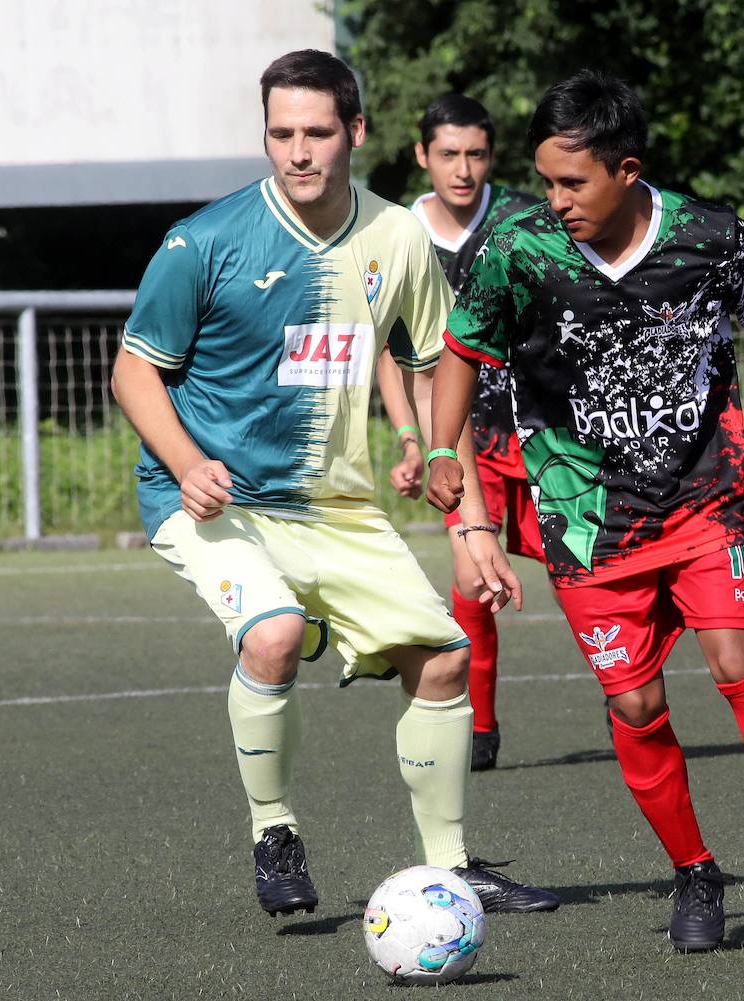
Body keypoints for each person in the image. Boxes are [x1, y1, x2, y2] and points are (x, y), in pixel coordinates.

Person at [425, 70, 744, 951]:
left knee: (734, 654)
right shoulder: (517, 249)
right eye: (545, 181)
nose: (556, 199)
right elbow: (463, 348)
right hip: (585, 519)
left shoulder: (707, 236)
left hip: (698, 495)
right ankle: (695, 873)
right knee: (639, 705)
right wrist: (437, 447)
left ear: (627, 170)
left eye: (573, 182)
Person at [110, 49, 558, 920]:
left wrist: (472, 527)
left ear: (355, 131)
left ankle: (453, 865)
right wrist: (186, 462)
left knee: (445, 659)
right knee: (273, 635)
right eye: (281, 133)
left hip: (337, 507)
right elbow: (134, 373)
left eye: (318, 132)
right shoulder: (201, 241)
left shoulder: (398, 237)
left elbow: (439, 379)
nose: (298, 151)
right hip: (215, 502)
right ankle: (273, 833)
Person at [374, 93, 543, 771]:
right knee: (472, 578)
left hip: (542, 431)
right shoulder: (394, 234)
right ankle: (480, 724)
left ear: (491, 157)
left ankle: (629, 691)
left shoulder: (527, 219)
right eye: (448, 154)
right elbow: (391, 352)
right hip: (460, 439)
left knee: (589, 565)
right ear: (422, 156)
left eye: (476, 153)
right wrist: (413, 439)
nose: (463, 168)